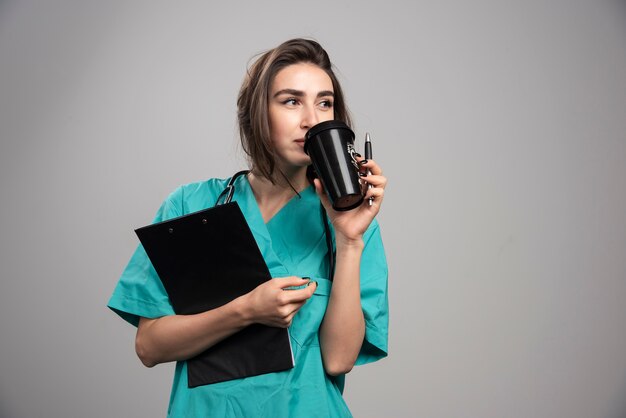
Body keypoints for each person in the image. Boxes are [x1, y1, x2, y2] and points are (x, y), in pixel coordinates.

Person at [108, 38, 388, 417]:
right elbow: (150, 347)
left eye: (324, 103)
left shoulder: (351, 222)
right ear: (258, 112)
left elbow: (339, 360)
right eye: (291, 101)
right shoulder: (191, 206)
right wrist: (245, 311)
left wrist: (350, 240)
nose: (311, 120)